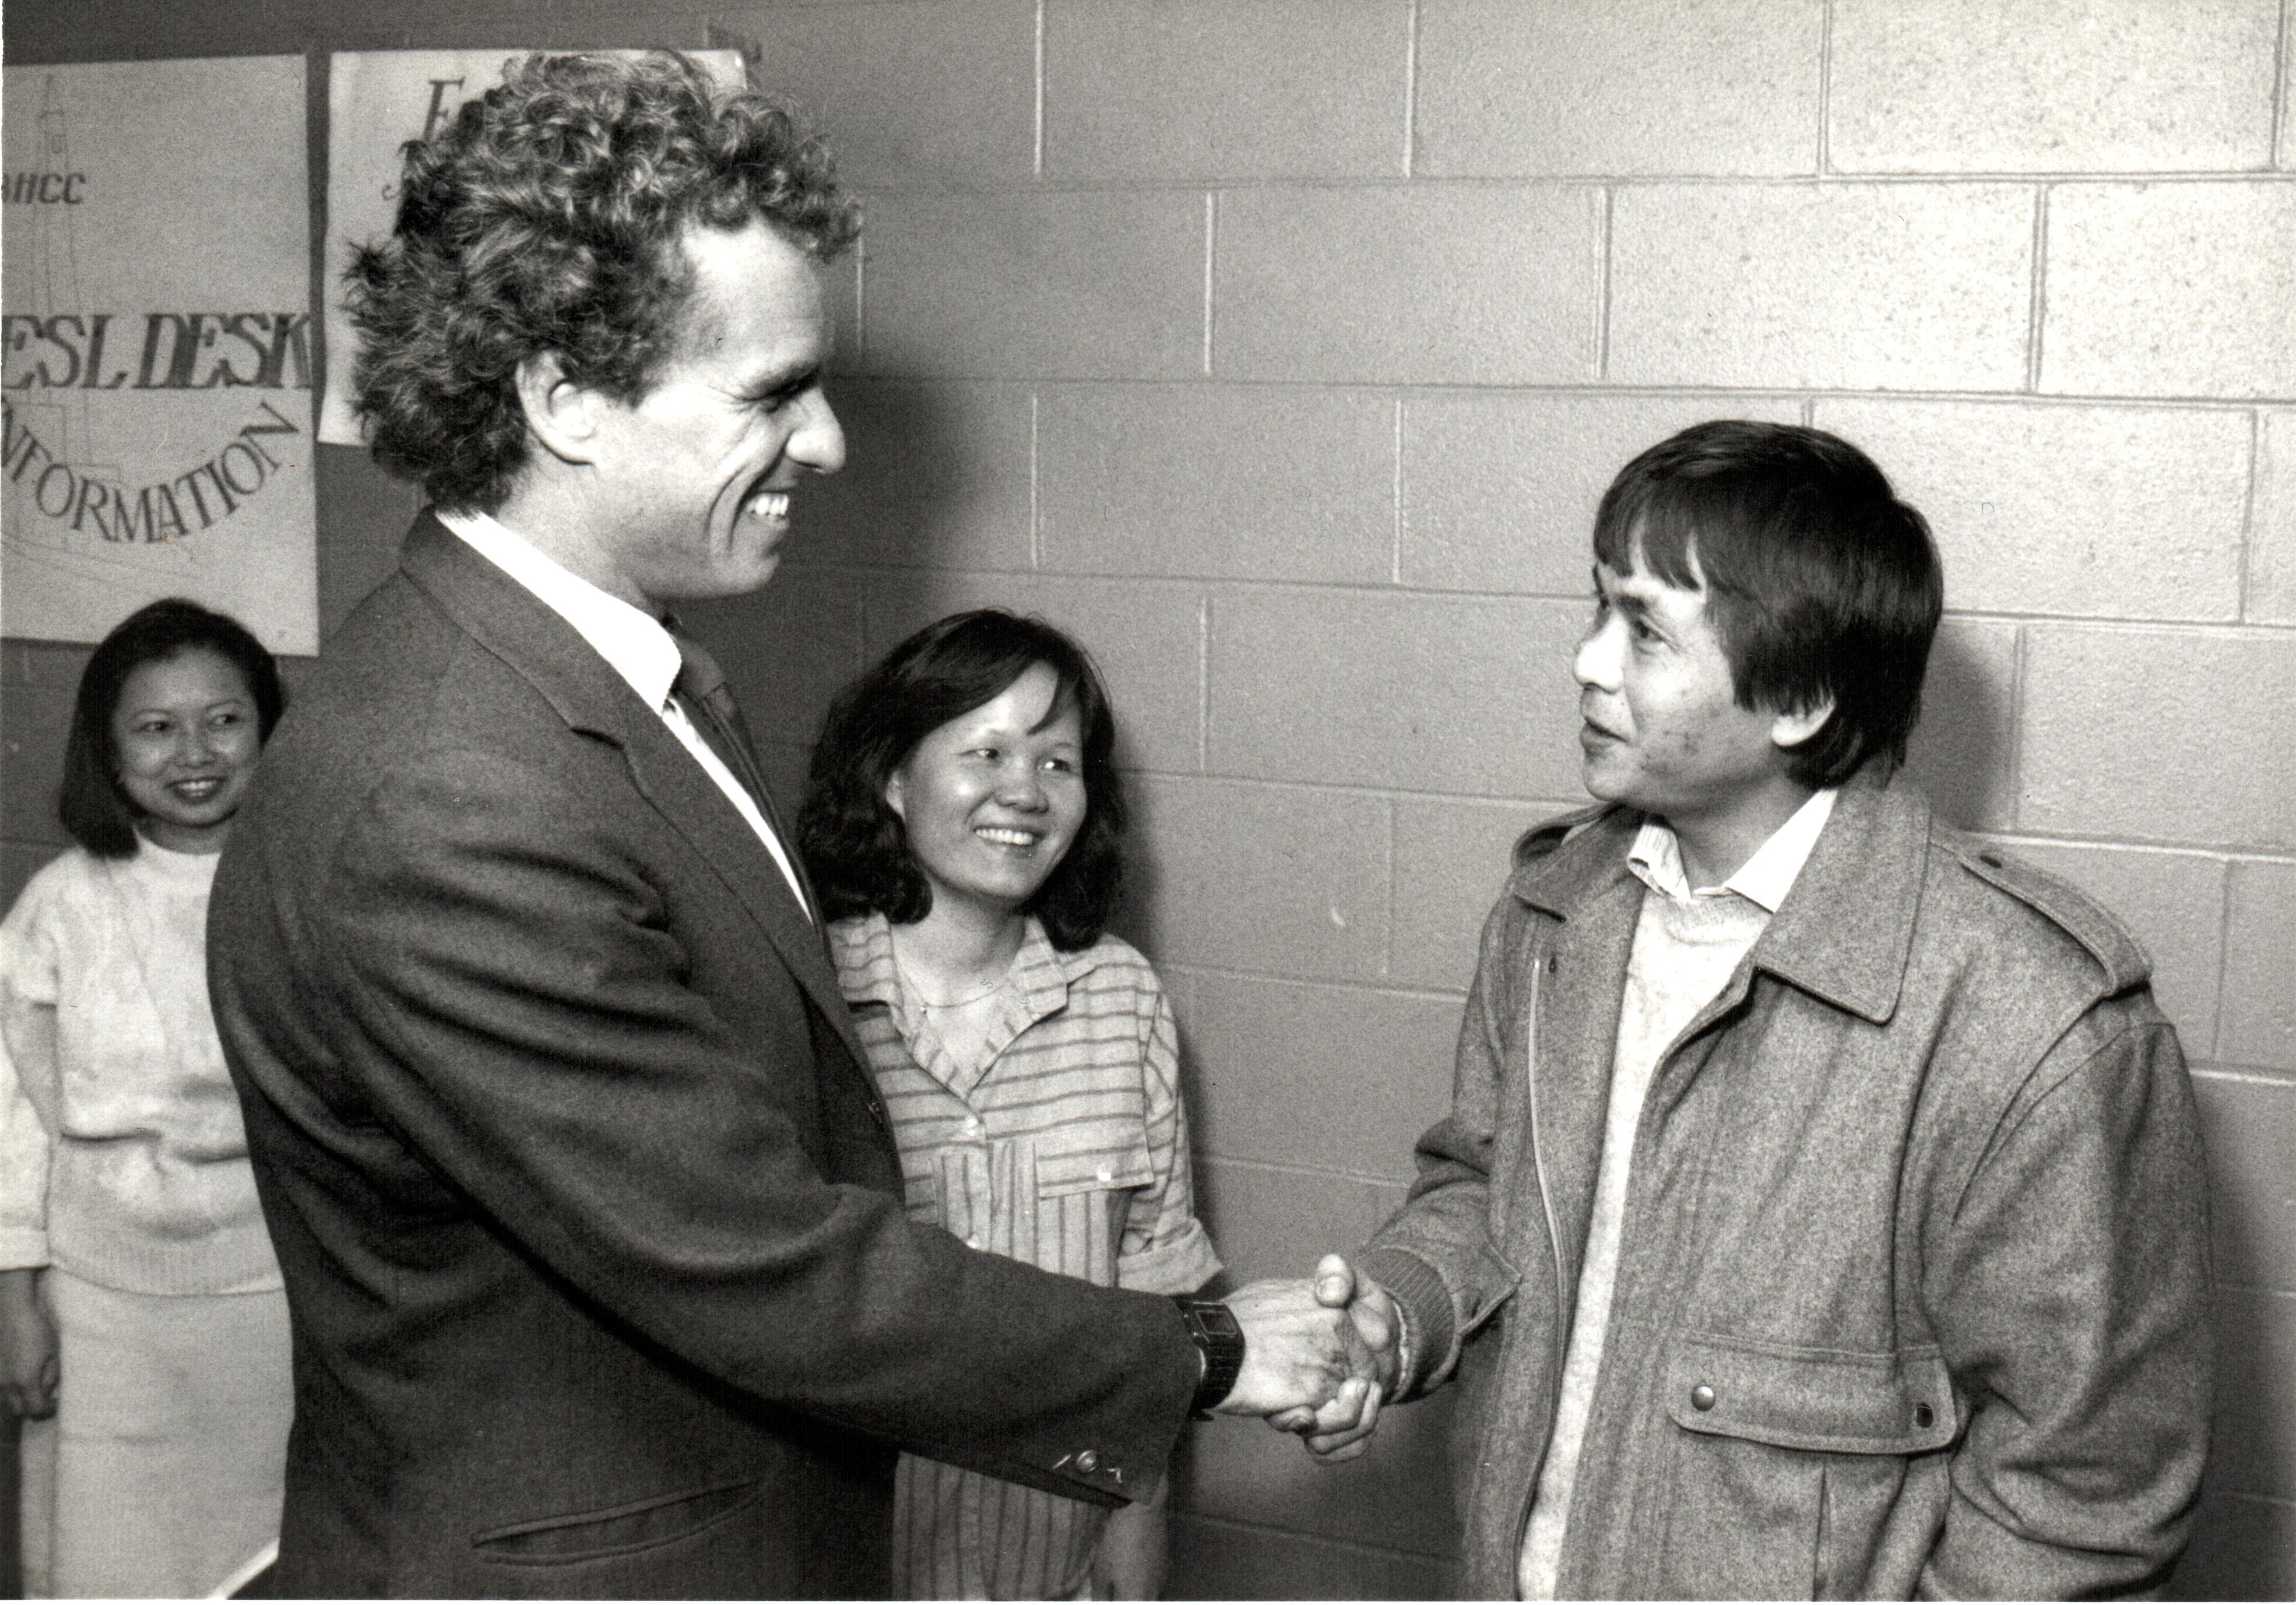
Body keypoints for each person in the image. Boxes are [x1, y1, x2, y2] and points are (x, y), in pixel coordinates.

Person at [205, 50, 1376, 1599]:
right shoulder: (449, 787)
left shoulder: (613, 683)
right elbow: (755, 1258)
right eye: (769, 393)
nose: (822, 443)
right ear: (562, 398)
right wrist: (1205, 1349)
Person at [1306, 421, 2213, 1598]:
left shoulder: (2034, 1022)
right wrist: (1399, 1311)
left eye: (1641, 631)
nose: (1586, 662)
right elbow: (1482, 1189)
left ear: (1796, 696)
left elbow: (2087, 1492)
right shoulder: (1551, 916)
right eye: (1595, 611)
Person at [800, 610, 1219, 1600]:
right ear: (893, 778)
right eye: (985, 750)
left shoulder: (1121, 997)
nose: (1023, 793)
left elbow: (1154, 1353)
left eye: (1058, 762)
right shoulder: (808, 994)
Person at [0, 599, 291, 1599]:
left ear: (268, 727)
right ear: (105, 749)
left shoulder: (318, 888)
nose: (195, 752)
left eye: (224, 719)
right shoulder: (63, 906)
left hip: (284, 1301)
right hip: (109, 1310)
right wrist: (15, 1292)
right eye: (156, 727)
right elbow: (12, 1123)